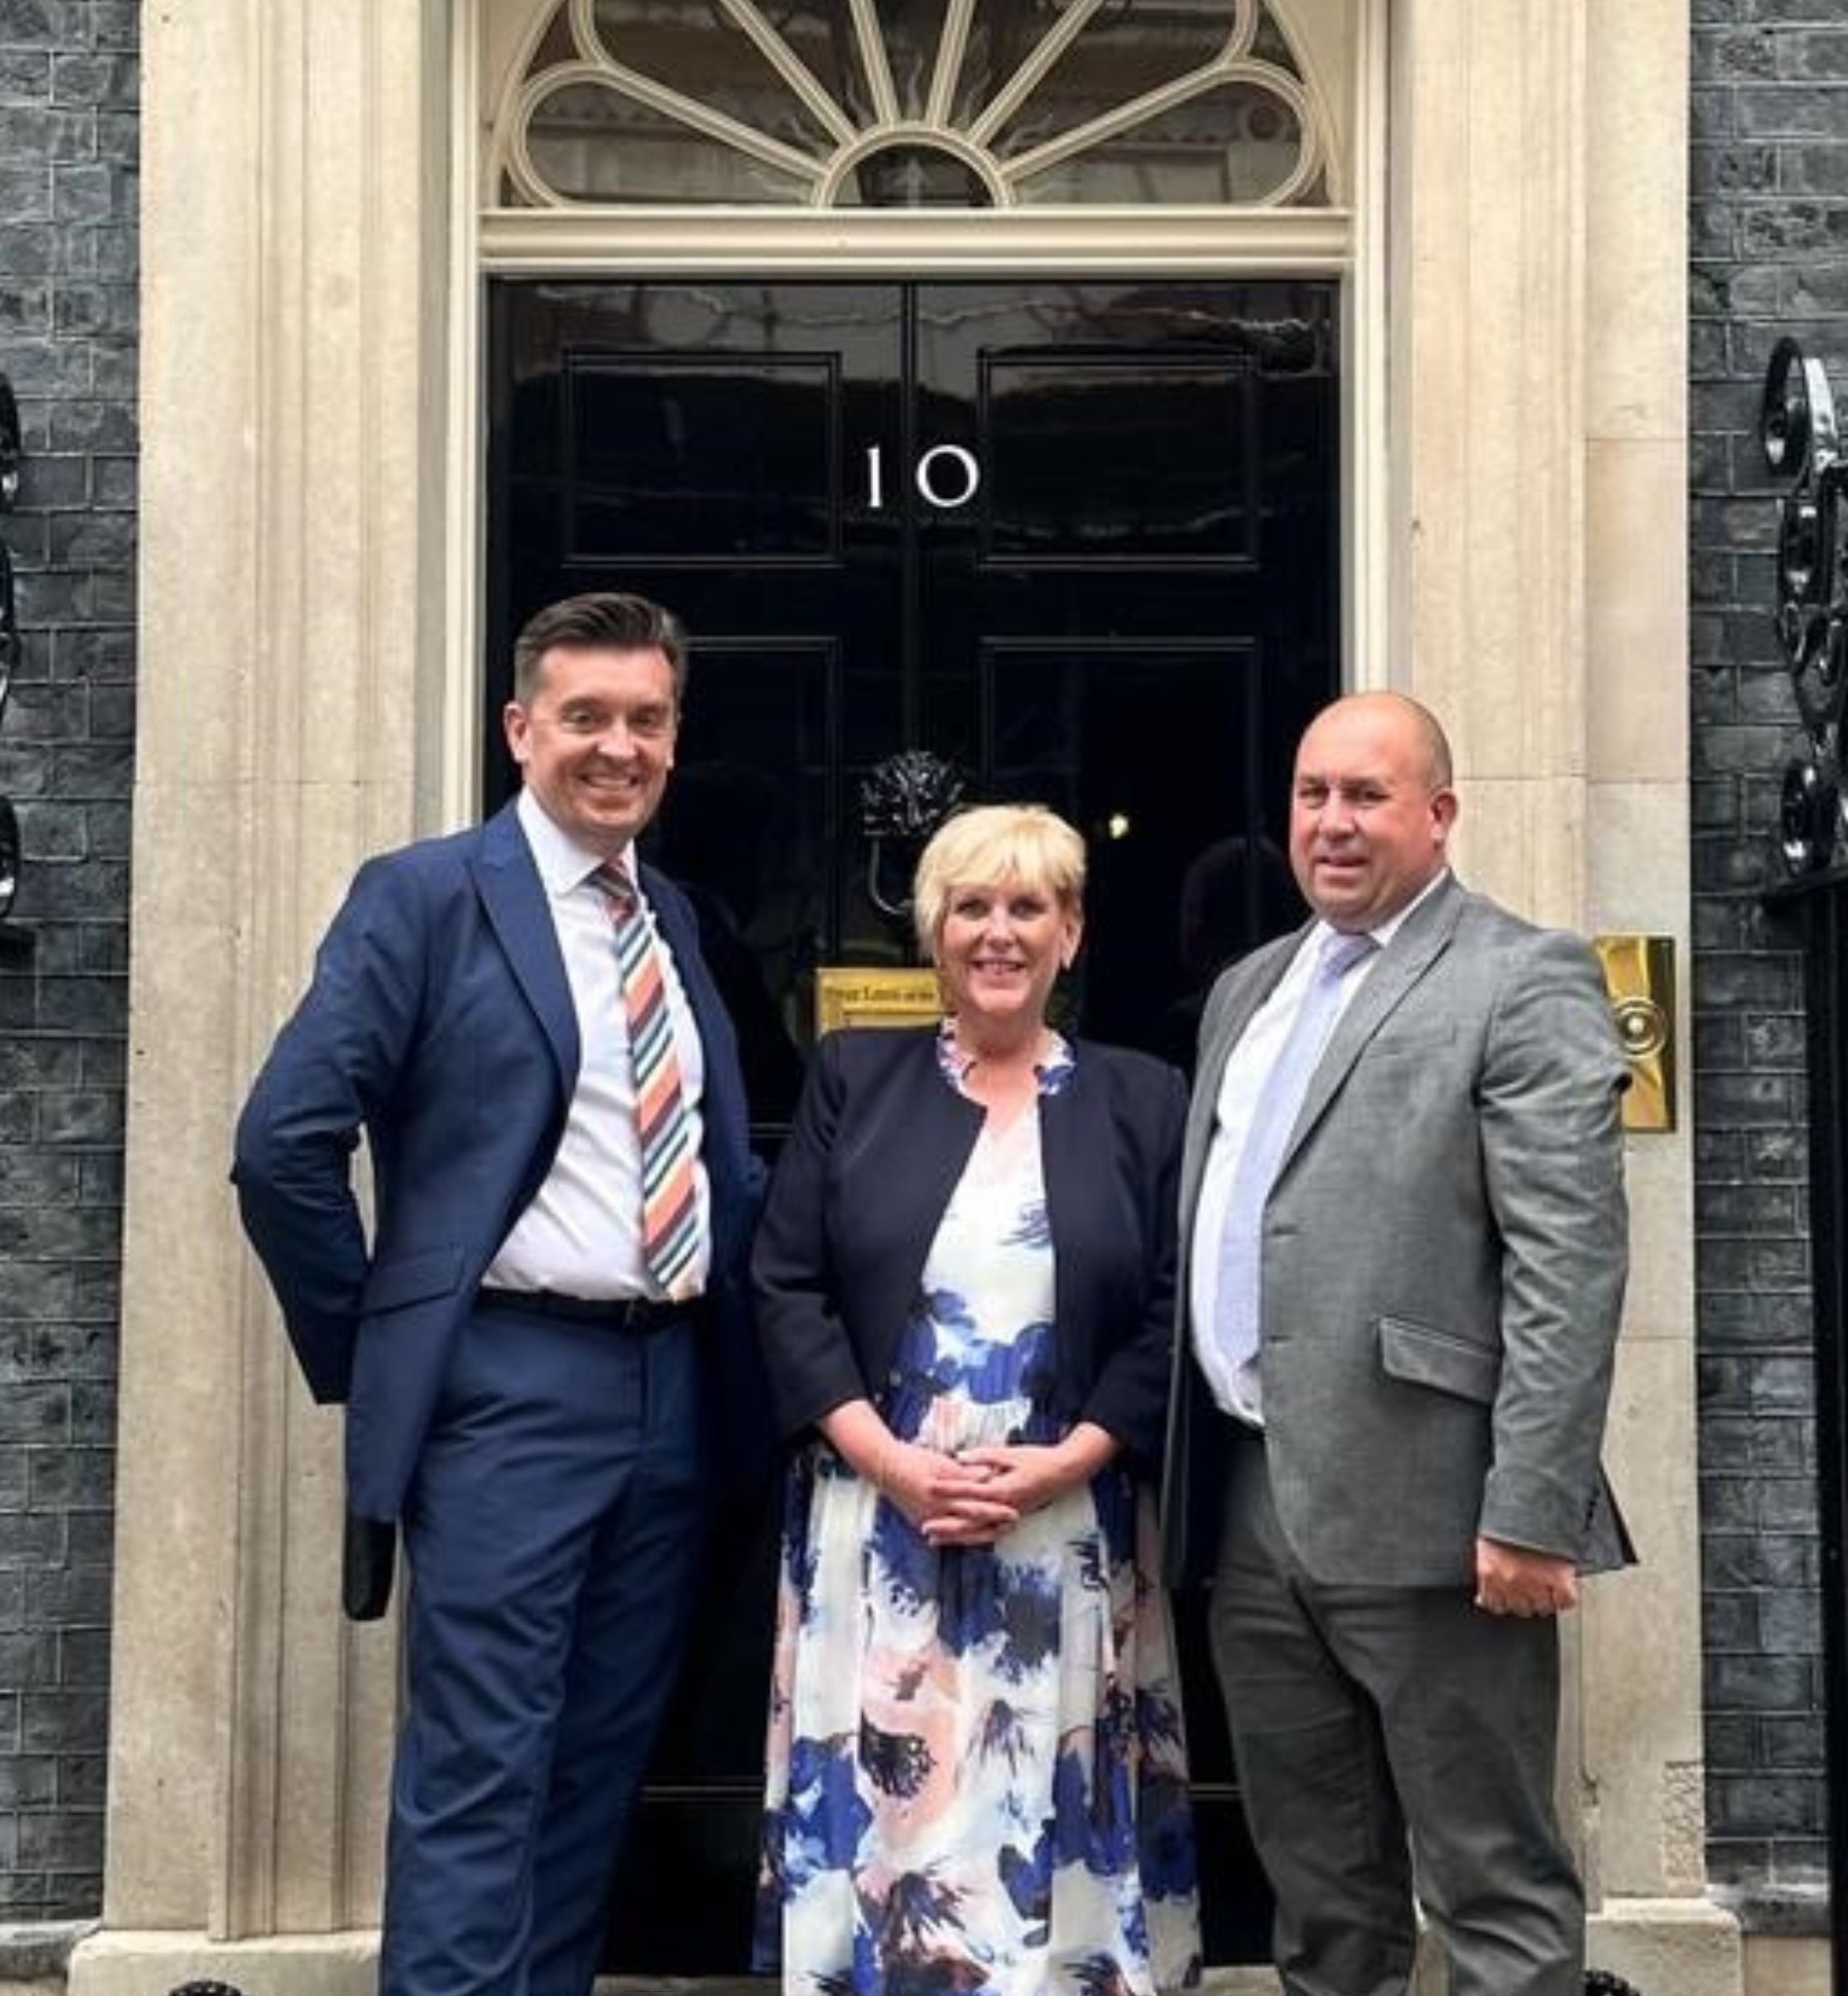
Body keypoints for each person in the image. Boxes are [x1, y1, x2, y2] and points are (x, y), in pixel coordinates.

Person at [232, 592, 766, 1996]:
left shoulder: (679, 923)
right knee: (482, 1773)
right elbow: (283, 1145)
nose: (617, 744)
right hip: (511, 1385)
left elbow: (719, 1166)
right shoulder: (425, 897)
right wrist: (392, 1348)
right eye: (585, 715)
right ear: (519, 728)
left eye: (645, 718)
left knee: (591, 1780)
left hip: (671, 1399)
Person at [1164, 693, 1631, 1996]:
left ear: (1440, 812)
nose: (1333, 823)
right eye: (1313, 795)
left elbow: (1570, 1263)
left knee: (1491, 1883)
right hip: (1253, 1500)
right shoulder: (1250, 988)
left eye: (1366, 796)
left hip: (1440, 1503)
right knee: (1322, 1896)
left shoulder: (1522, 975)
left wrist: (1532, 1508)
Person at [751, 803, 1202, 1996]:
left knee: (1035, 1839)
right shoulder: (852, 1077)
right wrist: (889, 1459)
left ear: (1071, 932)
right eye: (970, 907)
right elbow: (785, 1282)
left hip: (1059, 1526)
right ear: (932, 932)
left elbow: (1172, 1306)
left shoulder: (1142, 1097)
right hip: (879, 1517)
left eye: (1027, 907)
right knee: (898, 1830)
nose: (997, 933)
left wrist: (1067, 1460)